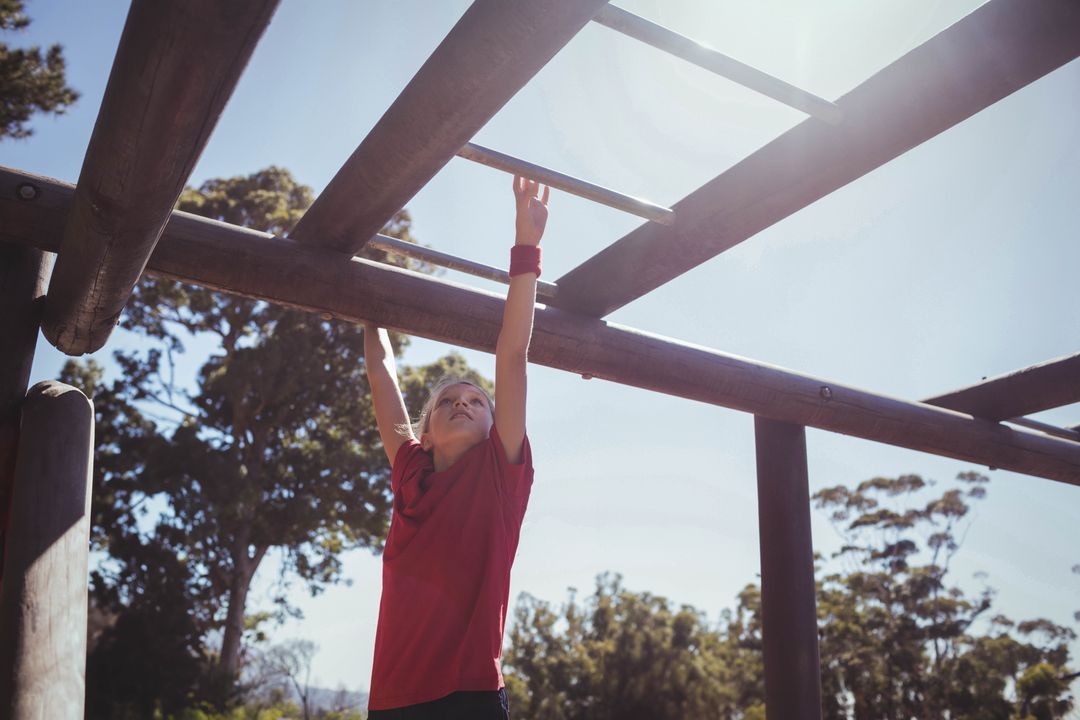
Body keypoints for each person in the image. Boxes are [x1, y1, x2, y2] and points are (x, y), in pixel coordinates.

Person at [362, 176, 549, 719]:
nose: (463, 402)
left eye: (476, 400)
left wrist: (526, 246)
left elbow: (512, 354)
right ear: (423, 434)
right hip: (392, 701)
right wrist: (363, 297)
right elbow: (382, 380)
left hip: (468, 697)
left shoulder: (500, 471)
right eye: (448, 399)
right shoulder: (411, 474)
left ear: (496, 427)